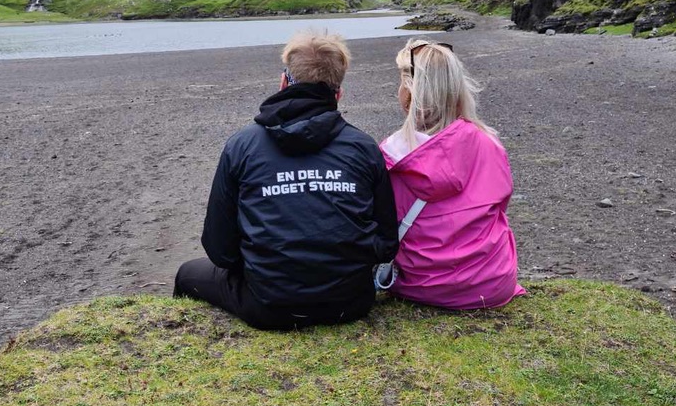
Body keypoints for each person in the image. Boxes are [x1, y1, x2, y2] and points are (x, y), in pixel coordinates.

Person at [174, 32, 399, 328]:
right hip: (350, 302)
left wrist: (268, 263)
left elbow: (219, 248)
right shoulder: (363, 147)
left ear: (284, 82)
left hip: (269, 305)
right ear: (338, 93)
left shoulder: (242, 145)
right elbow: (386, 243)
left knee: (186, 274)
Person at [379, 39, 525, 310]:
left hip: (420, 285)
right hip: (490, 284)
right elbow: (500, 207)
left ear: (409, 91)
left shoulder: (389, 154)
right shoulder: (488, 144)